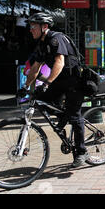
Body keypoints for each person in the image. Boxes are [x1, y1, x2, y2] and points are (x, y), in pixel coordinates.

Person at [16, 12, 88, 168]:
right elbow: (35, 67)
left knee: (75, 116)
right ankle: (64, 117)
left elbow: (59, 62)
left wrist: (47, 83)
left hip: (74, 81)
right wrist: (25, 87)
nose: (31, 30)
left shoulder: (56, 39)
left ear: (45, 27)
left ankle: (82, 152)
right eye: (31, 26)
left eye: (33, 26)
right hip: (60, 81)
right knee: (44, 101)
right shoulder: (41, 43)